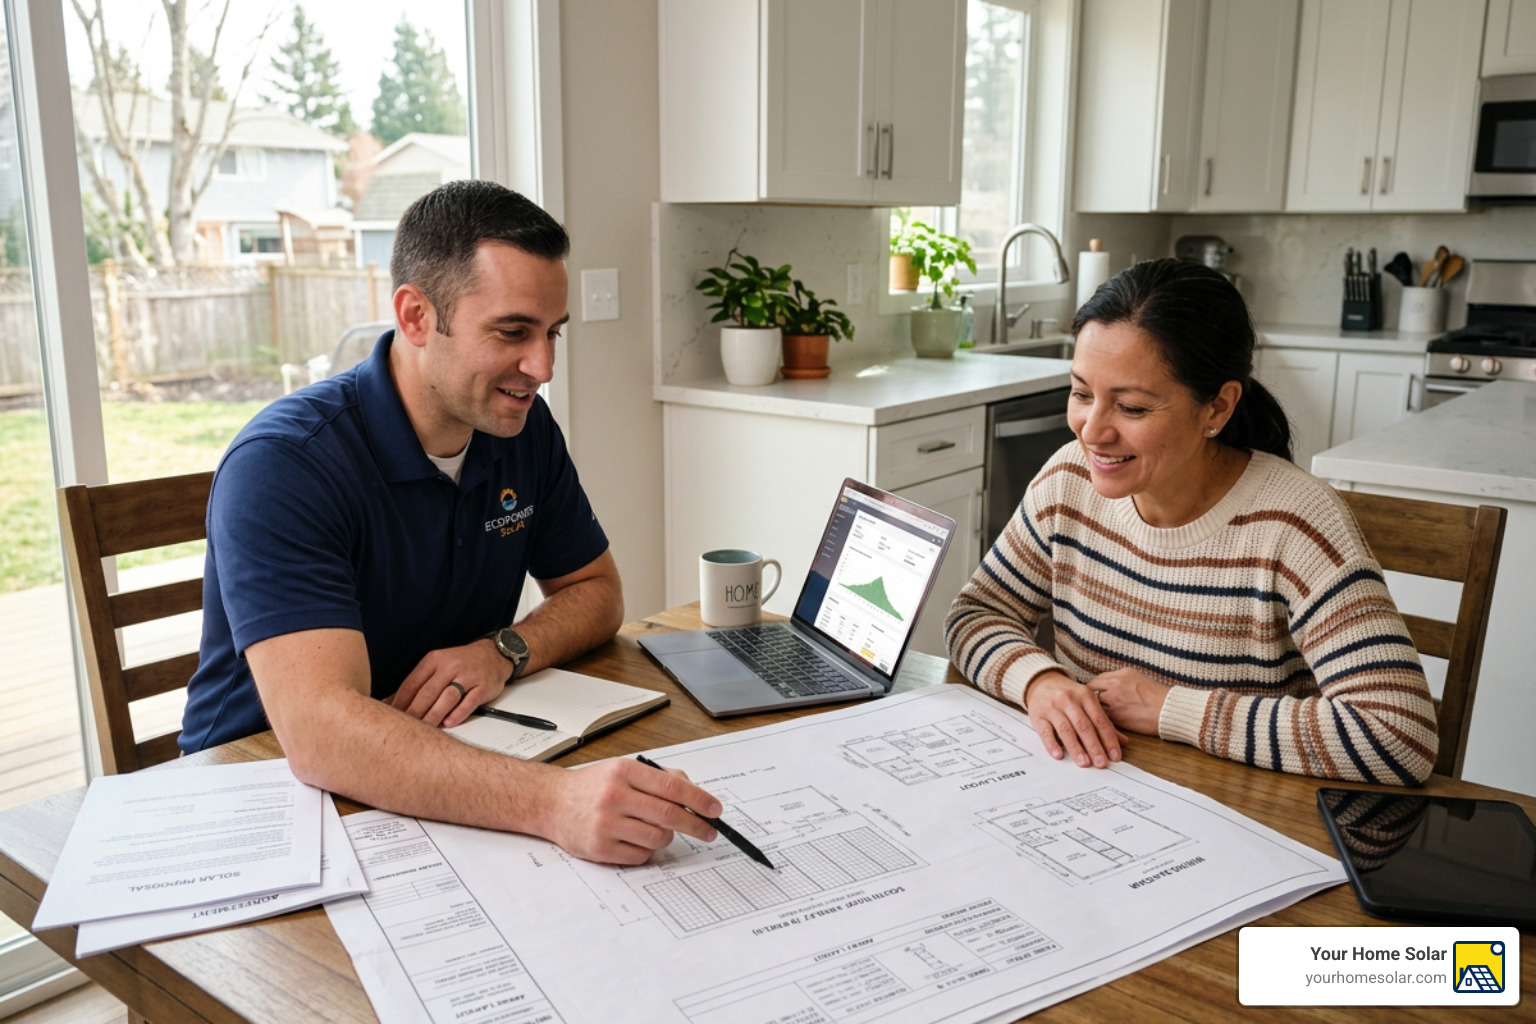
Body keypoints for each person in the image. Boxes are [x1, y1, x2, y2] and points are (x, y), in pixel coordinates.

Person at [181, 180, 724, 863]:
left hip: (447, 764)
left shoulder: (518, 426)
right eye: (513, 332)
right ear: (414, 316)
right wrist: (555, 802)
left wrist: (504, 651)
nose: (543, 367)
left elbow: (597, 593)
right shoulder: (285, 465)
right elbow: (321, 733)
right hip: (268, 800)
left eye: (552, 333)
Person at [945, 258, 1437, 786]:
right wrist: (1038, 681)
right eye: (1082, 393)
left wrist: (1170, 710)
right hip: (1085, 790)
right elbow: (975, 615)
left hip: (1242, 819)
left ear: (1218, 409)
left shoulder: (1295, 524)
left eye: (1131, 408)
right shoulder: (1068, 479)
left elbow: (1398, 734)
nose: (1092, 431)